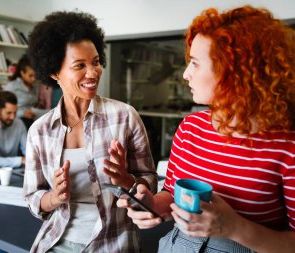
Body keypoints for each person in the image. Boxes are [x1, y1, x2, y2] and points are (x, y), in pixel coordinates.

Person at [118, 5, 295, 253]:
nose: (186, 75)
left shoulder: (287, 147)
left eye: (196, 64)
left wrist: (236, 228)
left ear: (235, 70)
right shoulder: (190, 127)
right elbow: (172, 195)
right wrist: (153, 205)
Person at [24, 11, 157, 253]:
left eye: (95, 62)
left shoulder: (125, 117)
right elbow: (33, 197)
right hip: (56, 241)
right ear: (54, 72)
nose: (93, 73)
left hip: (113, 241)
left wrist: (129, 181)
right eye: (80, 66)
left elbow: (150, 182)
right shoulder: (39, 131)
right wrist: (54, 197)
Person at [4, 54, 44, 129]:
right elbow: (4, 109)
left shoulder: (35, 86)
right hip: (18, 118)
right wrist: (23, 113)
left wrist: (39, 105)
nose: (33, 79)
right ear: (22, 73)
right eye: (30, 75)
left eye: (35, 75)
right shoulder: (12, 86)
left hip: (33, 116)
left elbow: (33, 104)